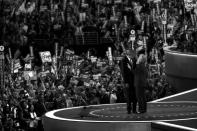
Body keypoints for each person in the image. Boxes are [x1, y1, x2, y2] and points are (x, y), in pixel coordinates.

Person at [119, 48, 137, 114]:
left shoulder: (134, 60)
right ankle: (129, 110)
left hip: (134, 81)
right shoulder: (123, 60)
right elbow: (123, 72)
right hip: (128, 81)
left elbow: (135, 70)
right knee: (129, 96)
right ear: (127, 54)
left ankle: (134, 110)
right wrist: (126, 82)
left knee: (134, 95)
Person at [134, 46, 148, 113]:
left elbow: (134, 72)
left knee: (139, 97)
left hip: (139, 83)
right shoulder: (144, 67)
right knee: (143, 96)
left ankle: (141, 109)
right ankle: (144, 109)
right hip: (143, 82)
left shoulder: (139, 66)